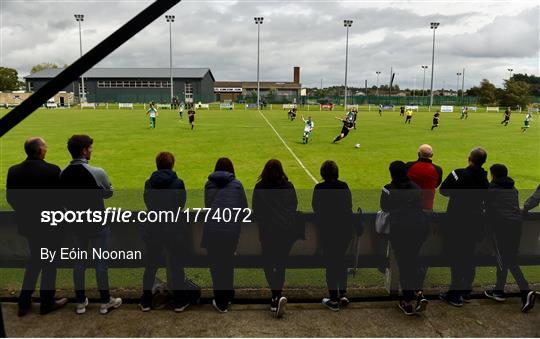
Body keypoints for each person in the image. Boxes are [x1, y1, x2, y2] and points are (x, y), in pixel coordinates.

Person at [60, 135, 122, 315]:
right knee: (100, 263)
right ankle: (105, 301)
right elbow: (108, 193)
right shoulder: (97, 172)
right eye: (90, 148)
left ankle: (80, 302)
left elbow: (62, 199)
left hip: (76, 225)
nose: (91, 151)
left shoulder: (63, 173)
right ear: (84, 150)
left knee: (78, 264)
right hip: (97, 224)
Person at [6, 137, 68, 316]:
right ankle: (47, 302)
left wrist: (27, 213)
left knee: (34, 261)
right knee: (49, 263)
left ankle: (24, 302)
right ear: (40, 151)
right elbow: (62, 198)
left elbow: (11, 198)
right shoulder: (52, 170)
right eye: (45, 147)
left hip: (29, 226)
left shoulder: (14, 171)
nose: (46, 149)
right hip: (50, 226)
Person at [439, 147, 489, 307]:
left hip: (457, 221)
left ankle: (454, 294)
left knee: (457, 258)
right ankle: (466, 291)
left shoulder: (458, 173)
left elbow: (443, 190)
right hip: (475, 222)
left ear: (469, 158)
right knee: (469, 256)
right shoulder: (485, 179)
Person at [140, 152, 189, 313]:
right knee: (176, 266)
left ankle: (146, 301)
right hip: (173, 229)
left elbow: (148, 202)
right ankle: (179, 302)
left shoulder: (149, 183)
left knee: (151, 266)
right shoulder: (178, 183)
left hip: (154, 227)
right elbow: (181, 203)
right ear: (172, 165)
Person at [483, 164, 536, 312]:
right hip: (515, 226)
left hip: (501, 227)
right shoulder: (513, 190)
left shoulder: (492, 190)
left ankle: (524, 290)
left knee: (504, 259)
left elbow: (486, 206)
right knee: (508, 258)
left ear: (493, 175)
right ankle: (499, 290)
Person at [380, 161, 429, 315]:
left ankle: (408, 301)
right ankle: (418, 293)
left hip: (401, 229)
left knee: (405, 264)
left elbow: (385, 208)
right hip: (419, 227)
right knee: (412, 260)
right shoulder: (416, 187)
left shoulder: (388, 189)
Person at [252, 159, 299, 318]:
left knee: (268, 263)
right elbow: (294, 206)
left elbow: (256, 210)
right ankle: (277, 294)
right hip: (285, 232)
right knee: (280, 264)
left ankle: (275, 295)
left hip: (267, 231)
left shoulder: (260, 187)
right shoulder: (288, 186)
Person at [203, 158, 248, 313]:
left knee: (216, 266)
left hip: (212, 230)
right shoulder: (237, 184)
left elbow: (207, 206)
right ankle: (227, 297)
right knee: (228, 264)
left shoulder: (209, 184)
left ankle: (221, 300)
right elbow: (244, 207)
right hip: (230, 231)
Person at [312, 161, 354, 311]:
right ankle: (343, 294)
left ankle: (333, 298)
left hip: (328, 230)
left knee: (331, 263)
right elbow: (348, 206)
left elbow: (316, 208)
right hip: (344, 229)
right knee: (341, 260)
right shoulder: (343, 186)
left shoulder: (319, 188)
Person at [406, 144, 443, 212]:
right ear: (431, 155)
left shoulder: (409, 166)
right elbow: (436, 184)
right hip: (427, 207)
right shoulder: (438, 169)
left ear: (418, 154)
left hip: (409, 206)